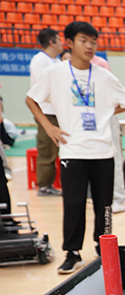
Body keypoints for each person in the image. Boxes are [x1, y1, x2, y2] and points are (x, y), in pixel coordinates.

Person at [25, 21, 125, 274]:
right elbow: (31, 99)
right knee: (73, 203)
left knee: (104, 205)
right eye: (84, 41)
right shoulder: (55, 73)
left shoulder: (104, 76)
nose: (89, 46)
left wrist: (106, 113)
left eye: (93, 42)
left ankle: (103, 247)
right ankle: (72, 253)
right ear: (69, 43)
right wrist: (48, 127)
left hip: (103, 151)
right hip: (72, 150)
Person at [29, 27, 63, 196]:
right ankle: (44, 185)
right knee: (47, 149)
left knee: (58, 148)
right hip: (46, 112)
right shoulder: (39, 60)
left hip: (59, 111)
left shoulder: (56, 61)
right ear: (52, 42)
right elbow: (44, 86)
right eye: (59, 39)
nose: (62, 43)